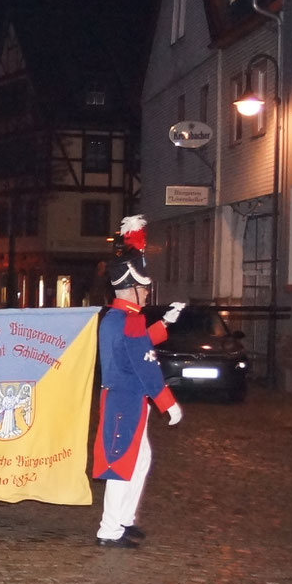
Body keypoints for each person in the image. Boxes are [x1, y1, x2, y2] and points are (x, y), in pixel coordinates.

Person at [91, 215, 183, 548]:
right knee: (122, 463)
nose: (147, 293)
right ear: (130, 286)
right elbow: (144, 365)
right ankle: (109, 529)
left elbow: (137, 343)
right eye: (143, 288)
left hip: (125, 399)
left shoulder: (119, 318)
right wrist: (168, 403)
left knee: (139, 460)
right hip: (126, 401)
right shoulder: (127, 320)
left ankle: (124, 520)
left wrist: (165, 323)